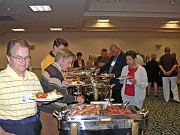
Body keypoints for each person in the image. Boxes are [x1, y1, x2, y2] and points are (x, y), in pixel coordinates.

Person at [0, 39, 43, 135]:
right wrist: (1, 132)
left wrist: (41, 101)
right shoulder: (1, 79)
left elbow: (39, 100)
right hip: (10, 128)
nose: (23, 62)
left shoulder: (33, 77)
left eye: (27, 58)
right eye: (19, 58)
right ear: (8, 58)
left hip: (33, 126)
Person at [40, 48, 85, 135]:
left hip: (48, 111)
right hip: (50, 113)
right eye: (69, 62)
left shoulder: (52, 69)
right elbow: (60, 97)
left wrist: (64, 84)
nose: (69, 66)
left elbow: (53, 89)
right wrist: (76, 98)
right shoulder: (55, 74)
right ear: (61, 59)